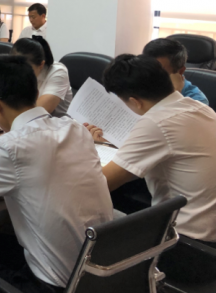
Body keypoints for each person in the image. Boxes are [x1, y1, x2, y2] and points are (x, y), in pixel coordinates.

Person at [0, 55, 112, 292]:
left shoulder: (13, 147)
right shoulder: (76, 129)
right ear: (35, 92)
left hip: (55, 286)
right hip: (100, 274)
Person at [86, 54, 216, 245]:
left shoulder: (157, 123)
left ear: (135, 101)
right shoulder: (198, 107)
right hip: (208, 227)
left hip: (185, 239)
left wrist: (84, 150)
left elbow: (102, 183)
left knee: (89, 219)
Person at [11, 37, 72, 117]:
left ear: (41, 65)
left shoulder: (58, 72)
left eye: (24, 69)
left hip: (56, 122)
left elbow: (38, 111)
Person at [142, 38, 209, 105]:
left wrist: (175, 93)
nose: (150, 75)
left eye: (158, 71)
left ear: (180, 71)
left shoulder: (198, 102)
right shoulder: (140, 81)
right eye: (147, 68)